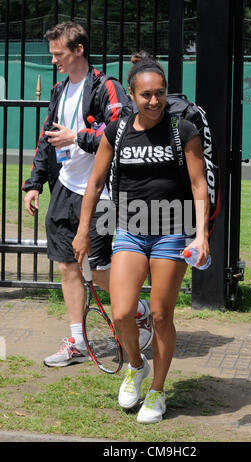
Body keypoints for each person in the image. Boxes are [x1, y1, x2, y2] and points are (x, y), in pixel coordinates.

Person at [72, 51, 209, 424]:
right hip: (129, 230)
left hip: (172, 231)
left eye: (159, 94)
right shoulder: (116, 131)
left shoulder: (183, 131)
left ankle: (157, 392)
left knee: (162, 314)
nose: (154, 101)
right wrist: (84, 229)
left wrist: (201, 236)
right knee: (121, 312)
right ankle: (136, 364)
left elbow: (199, 186)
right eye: (146, 94)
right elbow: (95, 183)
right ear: (131, 95)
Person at [22, 23, 152, 367]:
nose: (54, 61)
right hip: (65, 187)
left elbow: (120, 130)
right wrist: (34, 182)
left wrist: (76, 138)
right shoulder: (59, 89)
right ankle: (77, 341)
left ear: (78, 50)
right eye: (52, 55)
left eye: (58, 54)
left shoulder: (106, 85)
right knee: (67, 265)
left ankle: (138, 310)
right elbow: (46, 137)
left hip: (101, 191)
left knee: (99, 267)